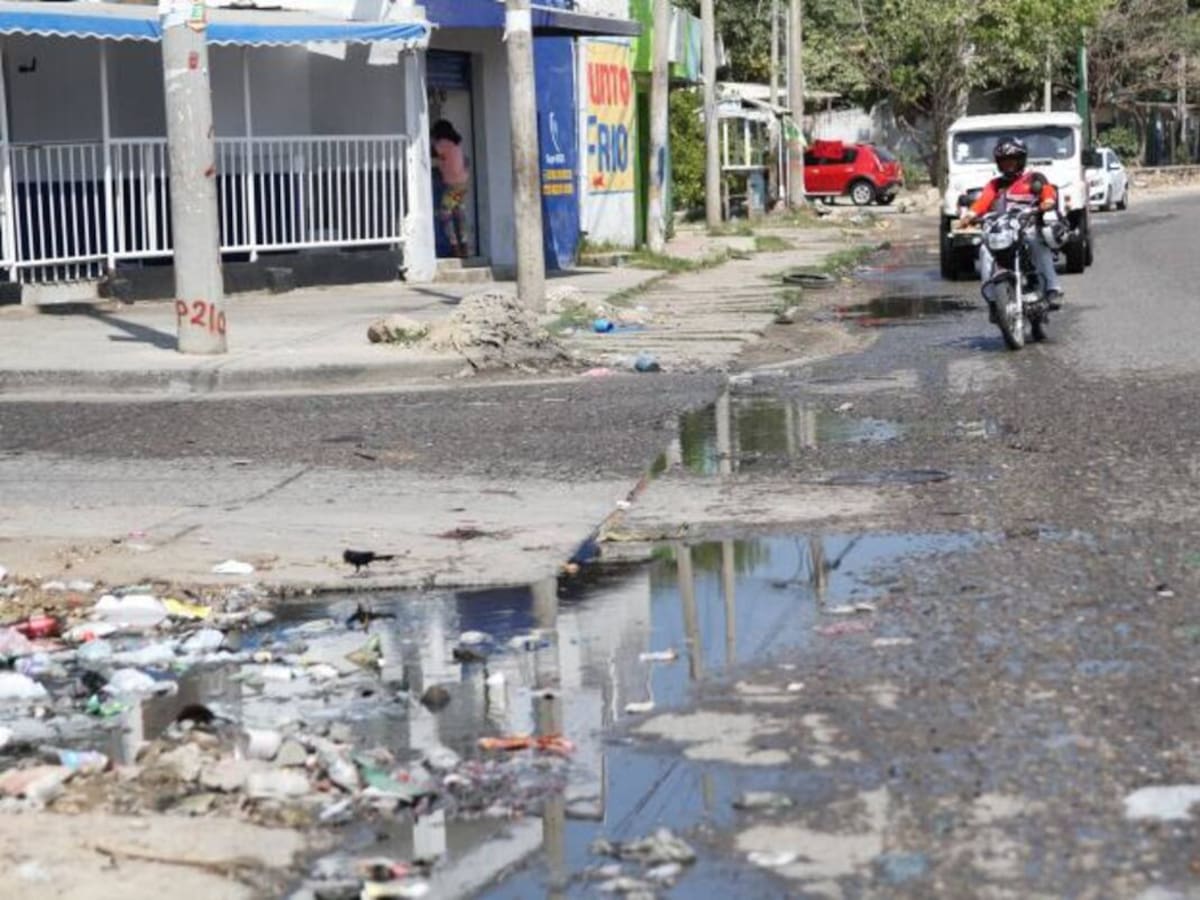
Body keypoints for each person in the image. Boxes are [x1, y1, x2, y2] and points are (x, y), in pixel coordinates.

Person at [958, 137, 1064, 310]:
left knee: (1036, 243)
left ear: (1021, 160)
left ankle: (1053, 289)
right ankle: (992, 299)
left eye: (1012, 160)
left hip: (1027, 228)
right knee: (985, 249)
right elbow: (983, 201)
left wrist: (1047, 201)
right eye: (1004, 161)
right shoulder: (995, 184)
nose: (1008, 164)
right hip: (1003, 229)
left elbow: (1048, 191)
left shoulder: (1034, 178)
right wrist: (969, 215)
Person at [432, 119, 470, 258]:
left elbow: (429, 153)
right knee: (459, 215)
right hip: (462, 184)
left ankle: (455, 248)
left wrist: (432, 142)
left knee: (445, 215)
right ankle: (464, 247)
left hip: (452, 186)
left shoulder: (442, 144)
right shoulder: (456, 144)